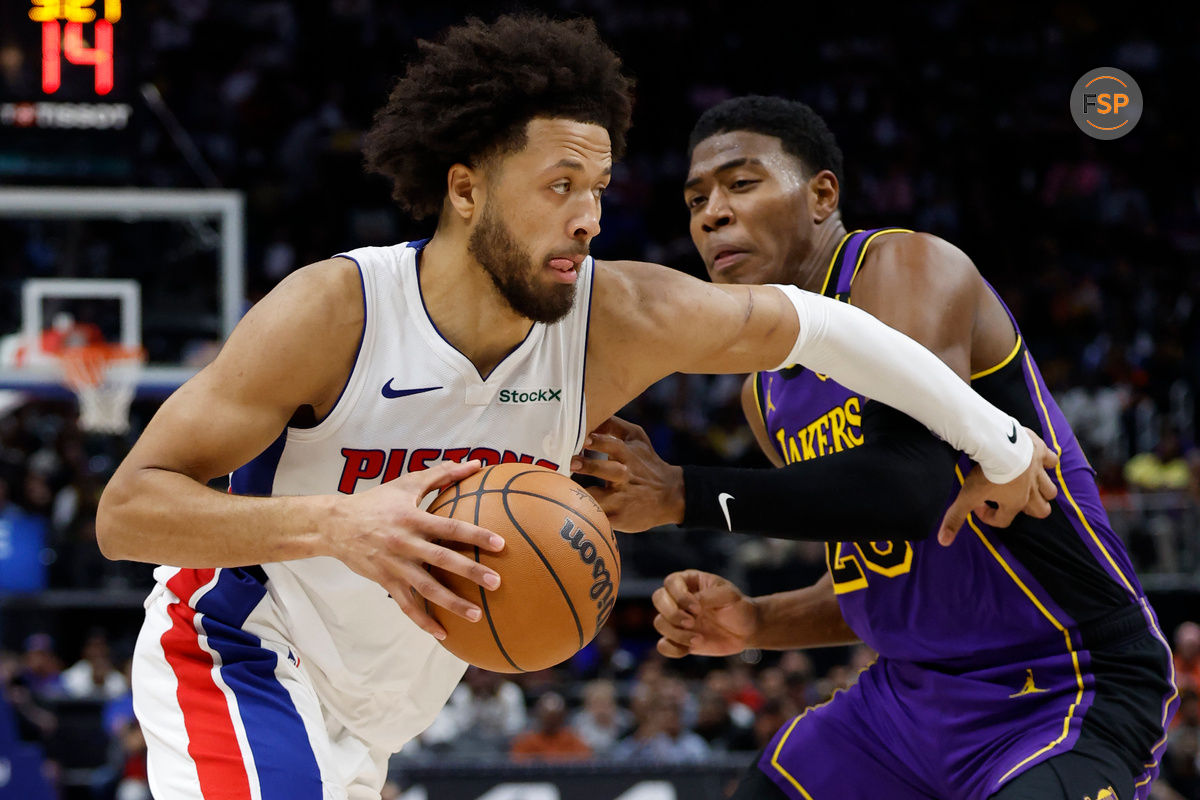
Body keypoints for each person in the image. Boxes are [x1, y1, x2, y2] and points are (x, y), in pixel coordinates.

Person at [96, 19, 1054, 799]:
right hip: (239, 652)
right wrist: (339, 523)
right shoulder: (333, 311)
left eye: (597, 188)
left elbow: (825, 331)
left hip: (386, 709)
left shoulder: (615, 317)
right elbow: (128, 512)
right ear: (466, 189)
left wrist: (997, 439)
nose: (589, 217)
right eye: (559, 187)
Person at [574, 96, 1178, 799]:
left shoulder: (906, 266)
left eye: (742, 184)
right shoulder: (764, 394)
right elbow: (877, 572)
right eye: (696, 198)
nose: (712, 214)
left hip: (1064, 684)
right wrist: (756, 621)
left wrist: (681, 493)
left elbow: (909, 491)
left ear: (822, 194)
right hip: (905, 702)